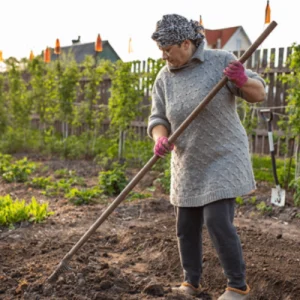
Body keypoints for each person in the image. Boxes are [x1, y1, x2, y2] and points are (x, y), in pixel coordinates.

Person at [147, 14, 266, 300]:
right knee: (185, 225)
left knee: (216, 219)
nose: (163, 55)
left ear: (186, 43)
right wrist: (160, 137)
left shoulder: (219, 60)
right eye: (160, 50)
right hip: (188, 159)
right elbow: (158, 117)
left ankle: (237, 287)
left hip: (224, 153)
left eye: (167, 49)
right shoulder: (164, 77)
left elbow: (258, 93)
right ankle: (191, 283)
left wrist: (241, 80)